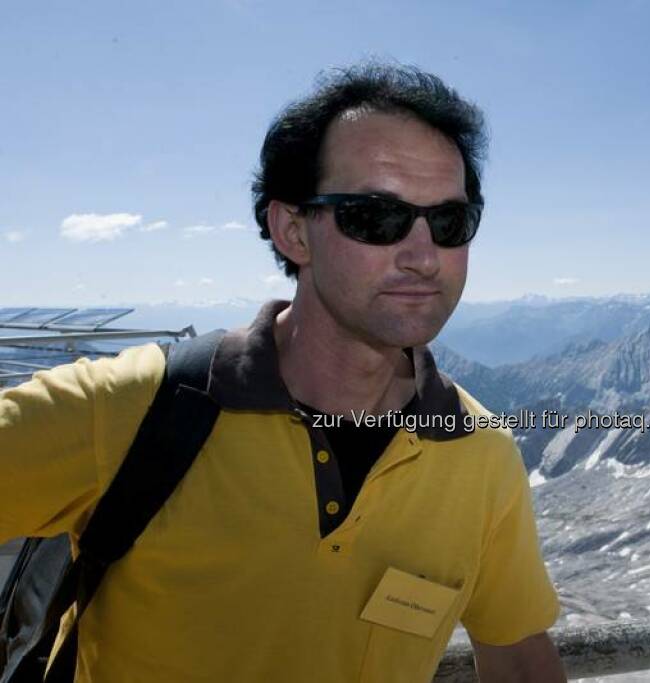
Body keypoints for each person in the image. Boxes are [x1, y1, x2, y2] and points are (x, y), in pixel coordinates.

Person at [0, 63, 566, 682]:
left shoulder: (479, 455)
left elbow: (518, 662)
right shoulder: (133, 406)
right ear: (293, 230)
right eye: (375, 217)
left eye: (451, 223)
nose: (424, 256)